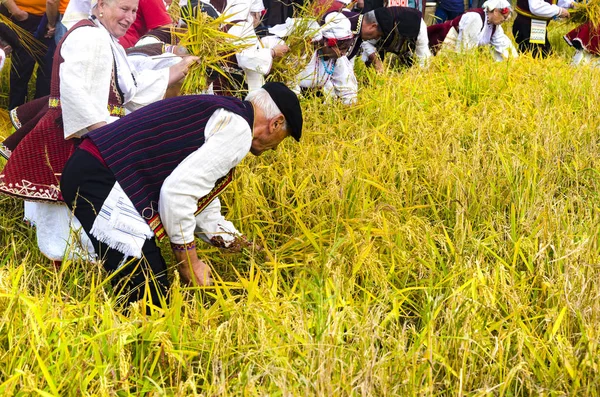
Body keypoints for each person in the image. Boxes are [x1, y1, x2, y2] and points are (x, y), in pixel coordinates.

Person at [59, 82, 302, 310]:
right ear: (276, 123)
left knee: (144, 283)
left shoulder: (226, 112)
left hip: (93, 169)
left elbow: (200, 205)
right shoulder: (238, 129)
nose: (276, 147)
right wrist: (189, 263)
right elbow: (178, 194)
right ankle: (132, 347)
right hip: (102, 179)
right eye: (283, 139)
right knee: (148, 294)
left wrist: (245, 247)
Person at [0, 0, 196, 264]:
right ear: (101, 6)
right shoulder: (89, 36)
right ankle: (66, 279)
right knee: (69, 217)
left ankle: (79, 270)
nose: (130, 18)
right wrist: (103, 137)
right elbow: (75, 90)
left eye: (135, 12)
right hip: (73, 136)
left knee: (81, 213)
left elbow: (127, 92)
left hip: (87, 133)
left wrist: (175, 70)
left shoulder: (101, 35)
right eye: (124, 9)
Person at [265, 12, 357, 104]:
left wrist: (350, 104)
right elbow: (290, 82)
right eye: (341, 49)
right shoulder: (303, 51)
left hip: (315, 101)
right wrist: (304, 105)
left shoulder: (337, 58)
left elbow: (346, 87)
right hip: (292, 99)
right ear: (326, 43)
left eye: (346, 49)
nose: (343, 53)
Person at [0, 0, 52, 109]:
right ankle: (16, 114)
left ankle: (37, 114)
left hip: (49, 17)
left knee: (47, 70)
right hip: (25, 17)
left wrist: (53, 19)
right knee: (21, 68)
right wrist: (16, 12)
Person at [341, 7, 431, 69]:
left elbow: (423, 58)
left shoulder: (420, 30)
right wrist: (376, 61)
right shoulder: (382, 24)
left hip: (407, 54)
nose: (377, 37)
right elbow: (366, 42)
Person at [427, 0, 517, 61]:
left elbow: (502, 43)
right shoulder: (475, 18)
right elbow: (465, 49)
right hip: (440, 43)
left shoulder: (494, 25)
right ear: (496, 11)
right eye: (504, 17)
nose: (504, 20)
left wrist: (514, 61)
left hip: (455, 51)